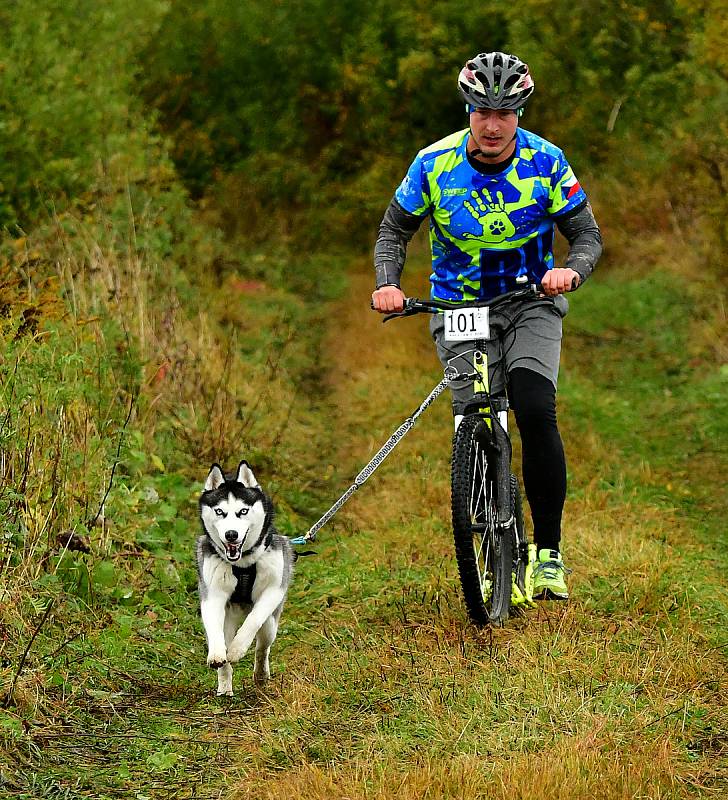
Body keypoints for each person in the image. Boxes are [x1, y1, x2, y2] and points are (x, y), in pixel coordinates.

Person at [371, 51, 602, 600]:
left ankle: (547, 554)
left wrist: (570, 270)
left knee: (532, 406)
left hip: (530, 302)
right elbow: (393, 231)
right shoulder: (434, 163)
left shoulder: (548, 163)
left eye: (506, 112)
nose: (493, 125)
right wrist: (387, 282)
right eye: (482, 111)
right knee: (474, 415)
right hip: (459, 307)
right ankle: (496, 543)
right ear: (468, 109)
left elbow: (587, 236)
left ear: (520, 112)